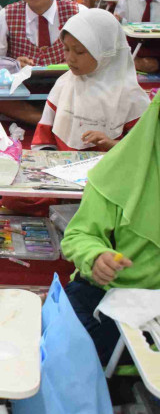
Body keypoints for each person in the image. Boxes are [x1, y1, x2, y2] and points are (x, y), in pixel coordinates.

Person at [61, 93, 160, 365]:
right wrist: (96, 257)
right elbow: (79, 235)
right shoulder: (119, 173)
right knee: (71, 354)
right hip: (109, 295)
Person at [32, 10, 149, 152]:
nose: (70, 58)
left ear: (105, 52)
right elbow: (44, 135)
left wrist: (111, 144)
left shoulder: (131, 96)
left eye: (80, 52)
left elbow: (144, 148)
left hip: (109, 169)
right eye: (66, 49)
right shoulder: (65, 83)